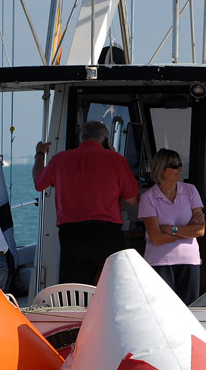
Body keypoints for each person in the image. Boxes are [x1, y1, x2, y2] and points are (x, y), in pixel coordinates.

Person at [33, 120, 139, 285]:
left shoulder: (60, 159)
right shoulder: (115, 160)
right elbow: (132, 200)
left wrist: (39, 154)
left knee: (77, 288)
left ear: (81, 138)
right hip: (106, 233)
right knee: (115, 286)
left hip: (72, 234)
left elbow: (39, 183)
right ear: (105, 140)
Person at [137, 149, 206, 305]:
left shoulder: (190, 190)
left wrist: (171, 229)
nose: (179, 169)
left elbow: (200, 230)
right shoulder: (148, 198)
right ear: (161, 169)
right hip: (159, 263)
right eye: (175, 166)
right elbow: (156, 238)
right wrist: (187, 230)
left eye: (180, 165)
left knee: (189, 312)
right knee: (161, 313)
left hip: (190, 261)